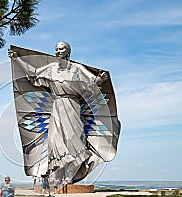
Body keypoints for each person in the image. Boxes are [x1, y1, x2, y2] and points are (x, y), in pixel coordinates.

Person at [9, 42, 108, 183]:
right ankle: (59, 175)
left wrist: (101, 79)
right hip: (57, 106)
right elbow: (33, 74)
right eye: (56, 49)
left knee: (73, 138)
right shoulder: (51, 69)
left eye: (61, 49)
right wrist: (17, 59)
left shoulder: (77, 69)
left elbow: (92, 83)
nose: (57, 51)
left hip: (72, 105)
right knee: (56, 140)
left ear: (67, 51)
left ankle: (72, 173)